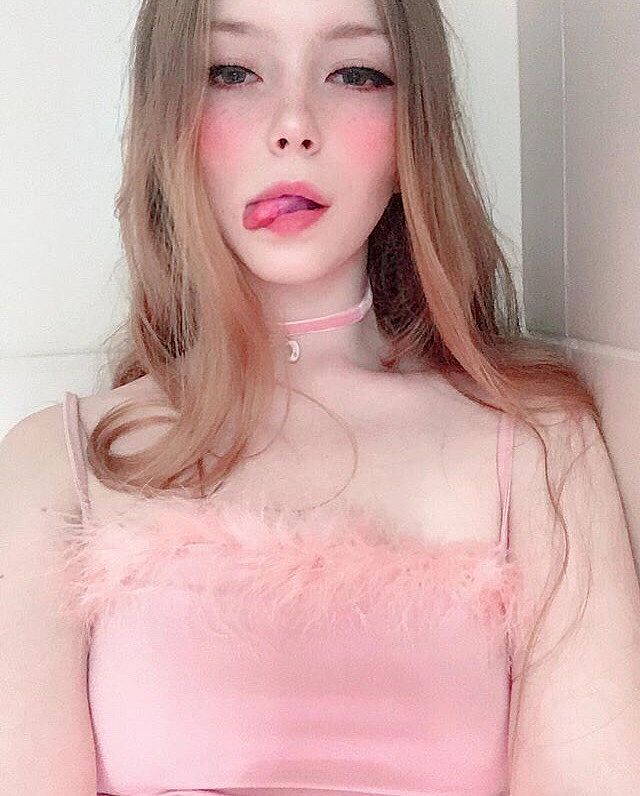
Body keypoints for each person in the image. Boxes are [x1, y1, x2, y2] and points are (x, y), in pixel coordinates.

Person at [2, 0, 639, 794]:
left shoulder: (541, 448)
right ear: (168, 114)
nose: (294, 126)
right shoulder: (54, 468)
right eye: (232, 72)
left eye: (355, 73)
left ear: (413, 127)